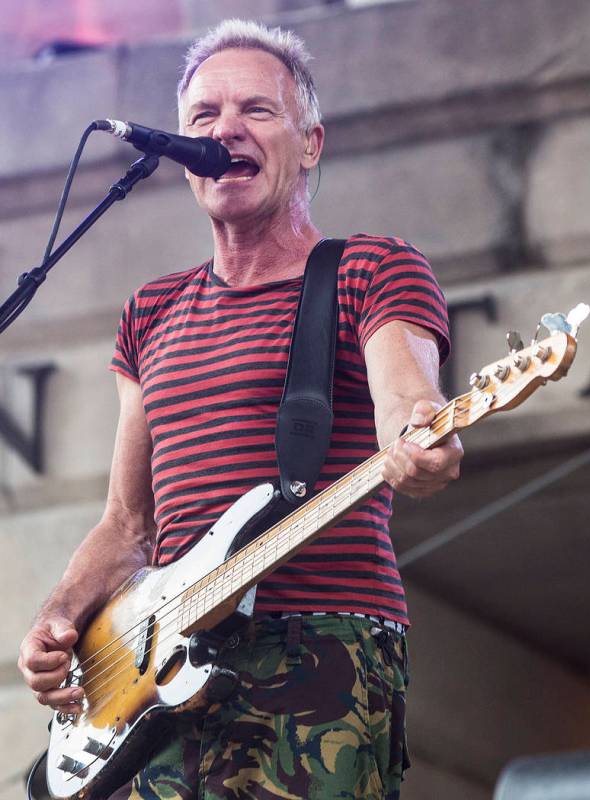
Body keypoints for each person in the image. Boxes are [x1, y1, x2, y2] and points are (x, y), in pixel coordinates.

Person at [18, 19, 463, 800]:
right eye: (203, 118)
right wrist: (58, 621)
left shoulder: (370, 268)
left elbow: (408, 401)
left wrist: (417, 441)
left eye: (257, 110)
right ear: (181, 157)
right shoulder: (149, 313)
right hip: (162, 671)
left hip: (320, 646)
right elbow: (128, 525)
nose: (225, 130)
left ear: (311, 143)